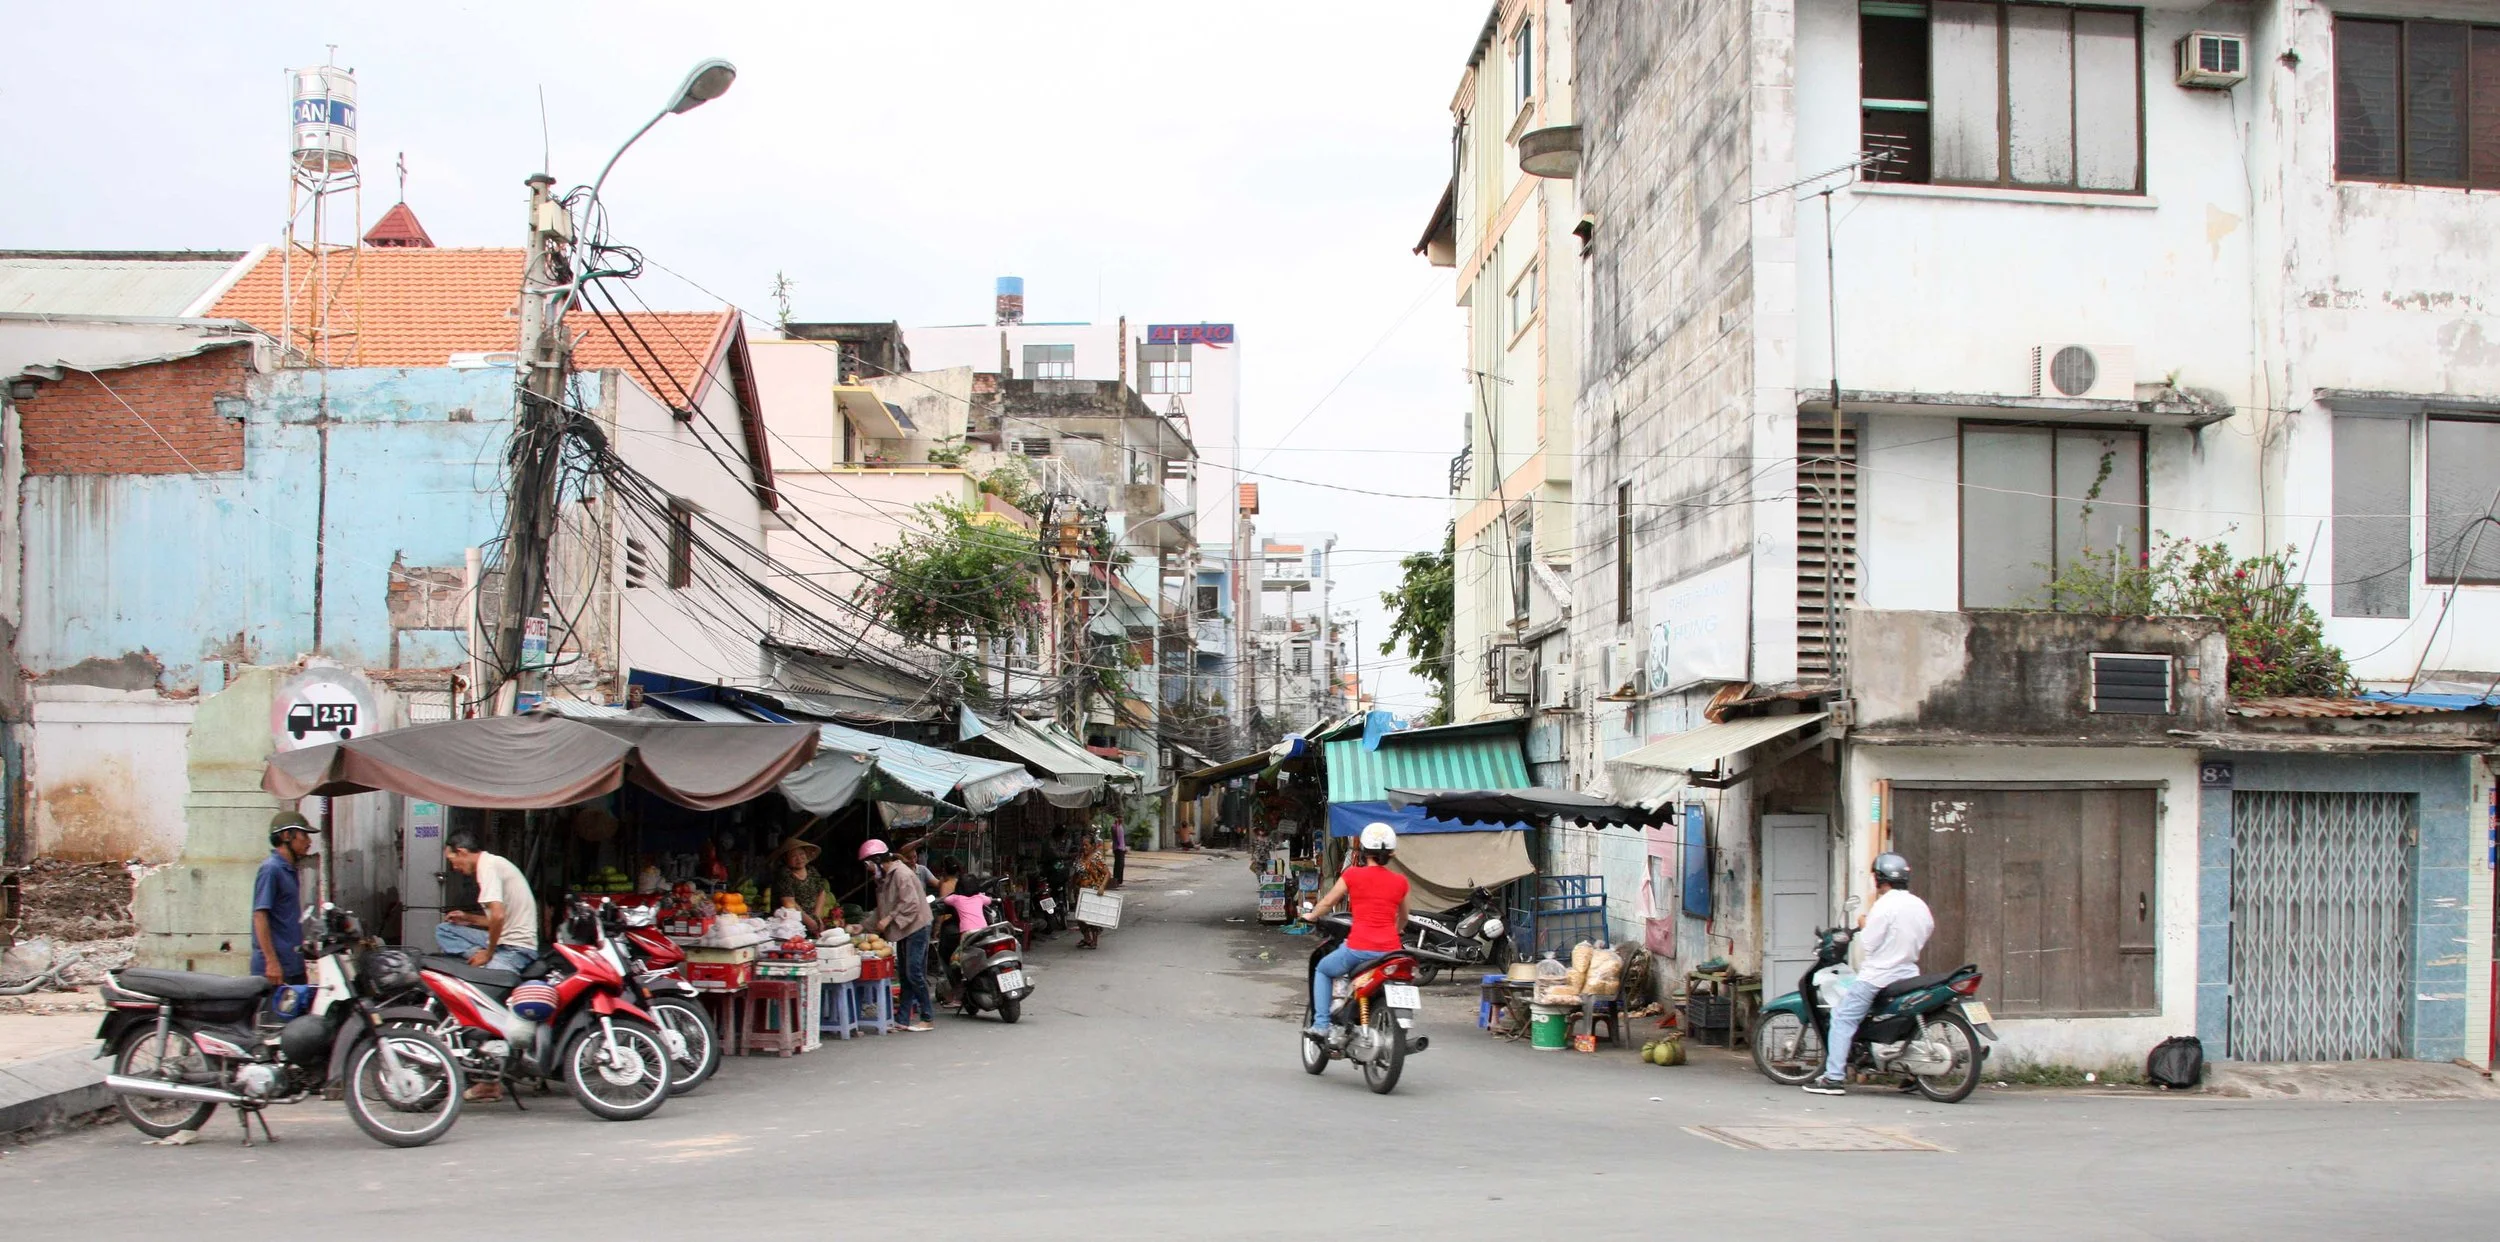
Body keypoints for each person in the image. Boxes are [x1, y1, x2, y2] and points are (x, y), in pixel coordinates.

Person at [1806, 852, 1935, 1096]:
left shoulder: (1884, 905)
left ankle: (1833, 1077)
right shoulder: (1919, 904)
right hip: (1908, 972)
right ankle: (1909, 1072)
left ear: (1879, 878)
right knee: (1901, 1022)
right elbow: (1927, 930)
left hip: (1878, 975)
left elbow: (1869, 944)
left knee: (1843, 1018)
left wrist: (1865, 923)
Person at [1302, 822, 1411, 1045]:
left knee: (1323, 969)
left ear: (1362, 850)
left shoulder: (1353, 875)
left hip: (1359, 949)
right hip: (1391, 951)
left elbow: (1329, 901)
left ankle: (1322, 1025)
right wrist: (1395, 934)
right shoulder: (1400, 882)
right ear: (1391, 854)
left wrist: (1311, 916)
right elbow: (1404, 918)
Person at [436, 830, 539, 973]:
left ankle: (487, 957)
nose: (454, 867)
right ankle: (484, 955)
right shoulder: (491, 863)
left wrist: (488, 953)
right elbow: (497, 920)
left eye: (452, 860)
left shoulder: (487, 867)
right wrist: (468, 918)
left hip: (516, 946)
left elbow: (498, 916)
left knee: (487, 984)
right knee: (444, 930)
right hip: (504, 938)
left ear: (461, 852)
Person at [863, 839, 935, 1032]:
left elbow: (910, 905)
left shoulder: (901, 874)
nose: (867, 868)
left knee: (914, 973)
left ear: (877, 861)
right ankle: (902, 1018)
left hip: (917, 926)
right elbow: (882, 908)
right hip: (906, 928)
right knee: (905, 974)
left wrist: (888, 920)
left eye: (868, 864)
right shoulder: (885, 878)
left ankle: (927, 1017)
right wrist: (862, 927)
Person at [251, 811, 317, 986]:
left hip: (292, 964)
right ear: (287, 836)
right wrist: (271, 962)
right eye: (304, 835)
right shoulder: (271, 869)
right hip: (276, 968)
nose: (309, 842)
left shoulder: (289, 869)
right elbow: (260, 916)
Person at [765, 836, 831, 935]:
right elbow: (789, 902)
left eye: (801, 854)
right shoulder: (784, 874)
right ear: (786, 859)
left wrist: (816, 917)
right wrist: (810, 922)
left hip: (810, 922)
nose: (799, 859)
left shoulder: (811, 871)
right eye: (793, 856)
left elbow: (821, 892)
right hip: (788, 926)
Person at [1072, 829, 1113, 949]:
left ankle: (1094, 940)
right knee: (1080, 917)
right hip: (1080, 891)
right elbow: (1076, 873)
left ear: (1093, 846)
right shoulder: (1080, 857)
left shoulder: (1096, 857)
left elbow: (1107, 874)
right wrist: (1072, 886)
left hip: (1093, 891)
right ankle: (1087, 938)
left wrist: (1102, 887)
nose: (1084, 847)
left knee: (1093, 917)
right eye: (1083, 845)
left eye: (1087, 845)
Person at [1109, 816, 1129, 890]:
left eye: (1122, 818)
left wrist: (1125, 847)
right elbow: (1117, 836)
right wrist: (1116, 824)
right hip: (1117, 848)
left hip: (1122, 848)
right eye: (1120, 818)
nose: (1122, 819)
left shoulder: (1121, 826)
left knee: (1121, 865)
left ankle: (1120, 881)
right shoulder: (1114, 827)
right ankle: (1116, 880)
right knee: (1118, 865)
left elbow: (1122, 838)